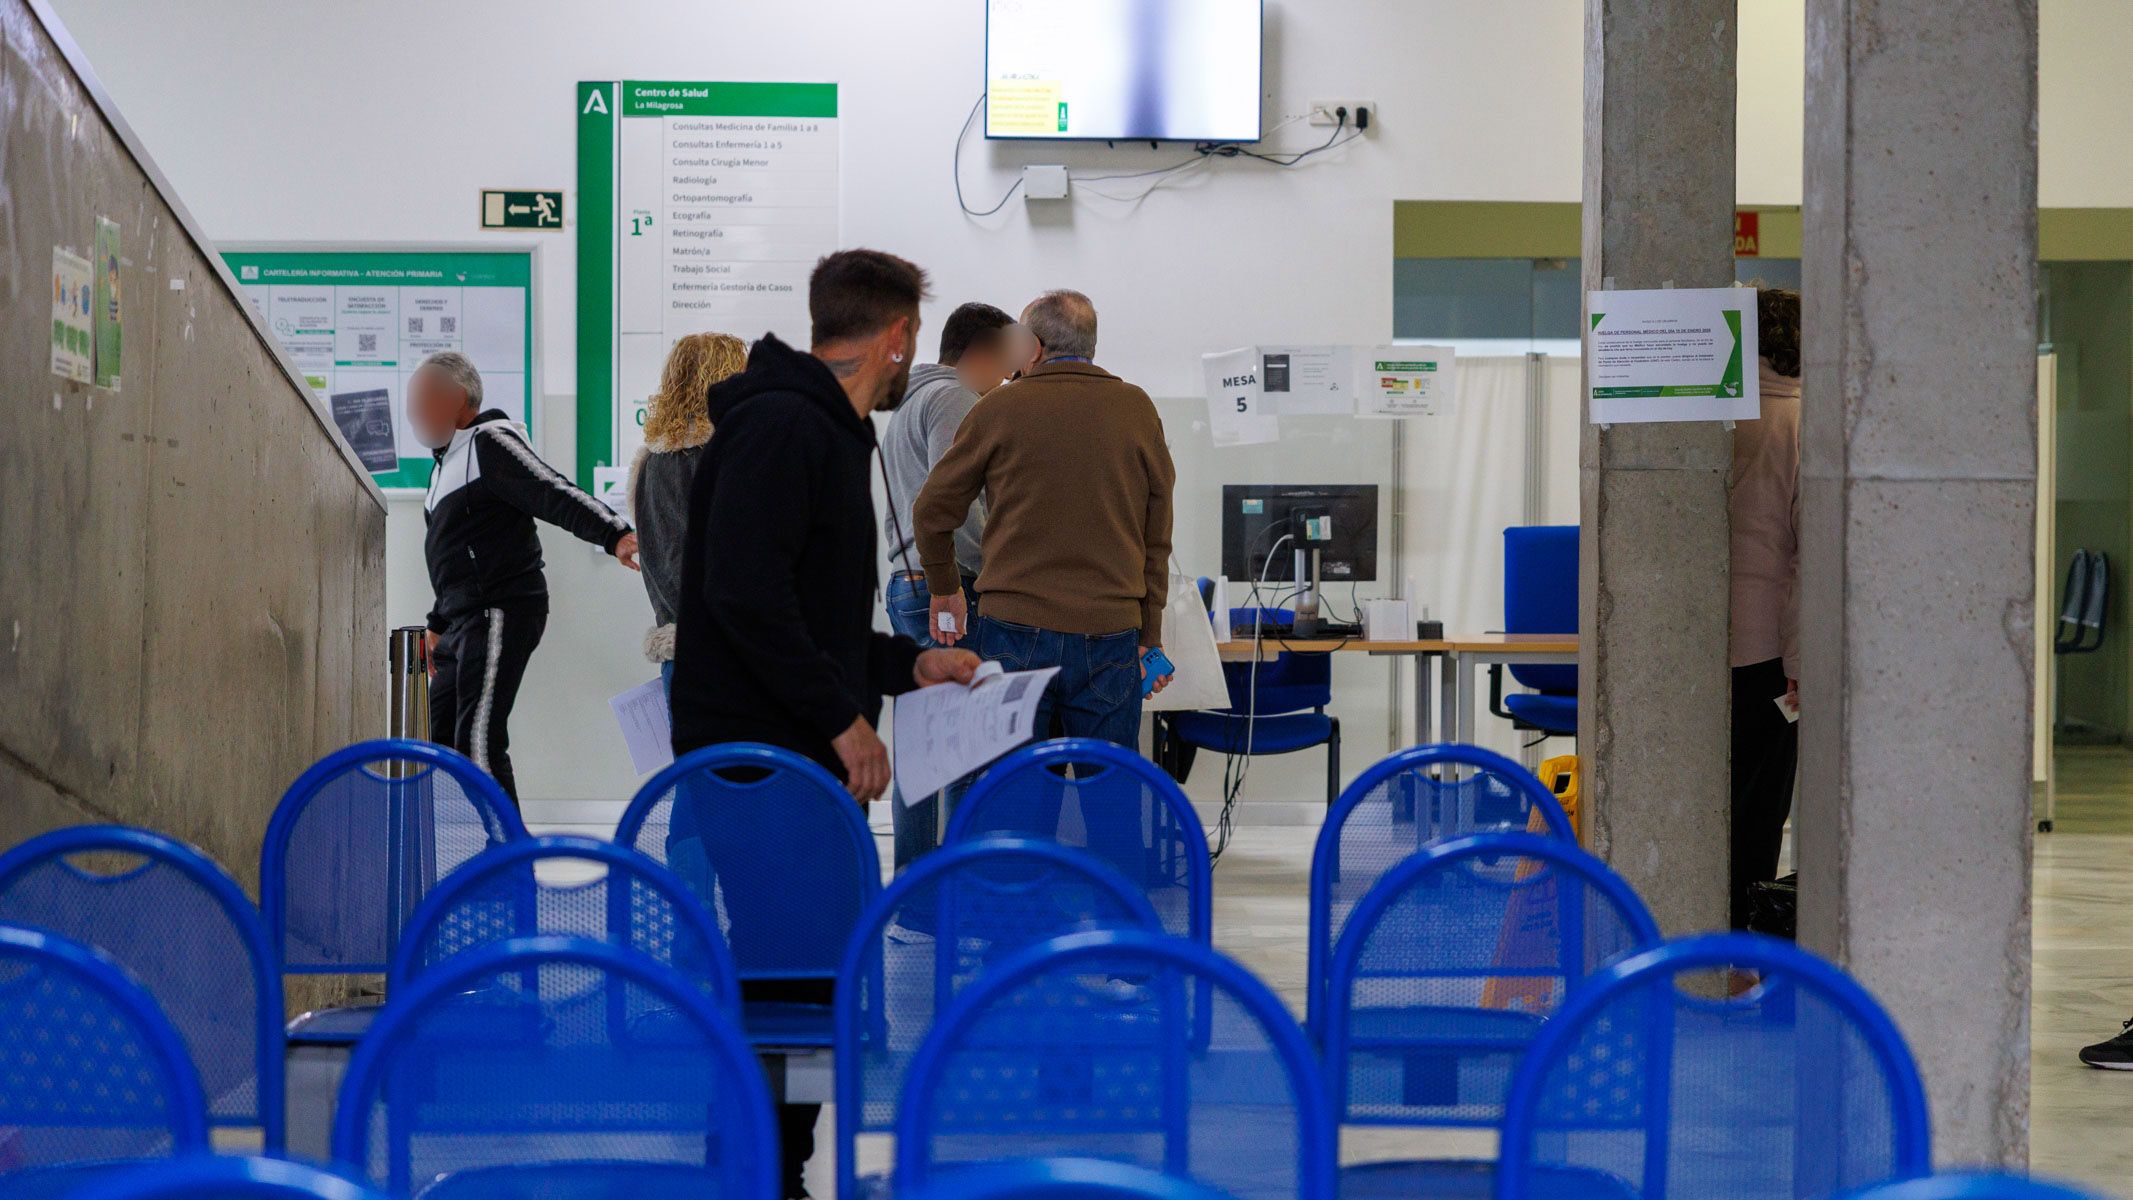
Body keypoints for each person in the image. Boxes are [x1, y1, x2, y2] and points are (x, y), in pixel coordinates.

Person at [668, 249, 982, 1199]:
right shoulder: (782, 430)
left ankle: (770, 1167)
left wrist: (903, 664)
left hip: (787, 754)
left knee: (800, 976)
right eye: (910, 342)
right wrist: (844, 718)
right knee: (785, 979)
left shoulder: (814, 431)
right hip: (764, 764)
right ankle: (761, 1170)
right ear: (897, 338)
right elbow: (746, 597)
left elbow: (812, 621)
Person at [913, 289, 1176, 749]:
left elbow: (932, 510)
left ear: (1031, 347)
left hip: (1013, 632)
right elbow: (1158, 532)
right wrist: (1148, 633)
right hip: (1111, 633)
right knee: (1108, 794)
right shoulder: (1137, 409)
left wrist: (943, 586)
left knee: (1018, 794)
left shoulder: (997, 407)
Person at [410, 351, 639, 803]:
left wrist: (614, 533)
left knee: (478, 740)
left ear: (458, 399)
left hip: (499, 606)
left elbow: (550, 490)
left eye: (424, 399)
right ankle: (491, 850)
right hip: (460, 619)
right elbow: (452, 561)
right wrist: (437, 624)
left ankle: (510, 863)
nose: (414, 412)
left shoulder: (489, 442)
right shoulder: (442, 470)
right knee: (444, 737)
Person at [878, 301, 1033, 869]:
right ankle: (950, 879)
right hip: (944, 586)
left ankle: (918, 879)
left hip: (908, 582)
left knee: (925, 743)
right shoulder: (954, 399)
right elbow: (953, 502)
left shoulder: (913, 399)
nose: (1008, 378)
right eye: (1006, 362)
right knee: (963, 744)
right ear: (983, 353)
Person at [1729, 287, 1802, 929]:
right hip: (1772, 650)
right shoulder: (1807, 426)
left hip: (1703, 642)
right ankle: (1740, 945)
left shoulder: (1711, 421)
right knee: (1761, 805)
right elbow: (1806, 565)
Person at [628, 331, 747, 694]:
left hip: (679, 654)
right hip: (735, 651)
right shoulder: (732, 457)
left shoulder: (650, 464)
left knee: (698, 753)